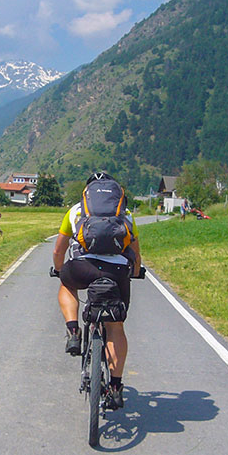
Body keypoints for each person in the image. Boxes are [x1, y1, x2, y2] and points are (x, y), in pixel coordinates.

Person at [52, 172, 141, 409]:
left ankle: (73, 332)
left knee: (66, 284)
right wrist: (135, 272)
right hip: (117, 272)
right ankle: (115, 386)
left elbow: (59, 249)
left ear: (87, 192)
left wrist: (59, 269)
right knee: (115, 326)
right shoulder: (126, 214)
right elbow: (135, 252)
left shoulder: (76, 211)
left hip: (83, 267)